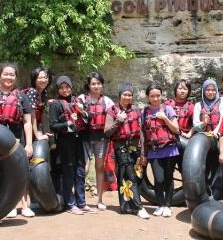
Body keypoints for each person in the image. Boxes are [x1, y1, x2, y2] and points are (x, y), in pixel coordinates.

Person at [0, 63, 34, 218]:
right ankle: (8, 205)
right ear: (0, 75)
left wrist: (29, 144)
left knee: (20, 171)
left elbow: (27, 122)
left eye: (12, 74)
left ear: (16, 77)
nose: (8, 77)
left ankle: (24, 204)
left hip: (15, 139)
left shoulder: (22, 96)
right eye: (5, 74)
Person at [49, 75, 96, 215]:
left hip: (78, 140)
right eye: (62, 88)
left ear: (71, 87)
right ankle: (70, 204)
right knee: (68, 171)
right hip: (65, 142)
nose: (65, 90)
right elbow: (53, 126)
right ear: (58, 89)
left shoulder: (78, 101)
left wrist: (82, 112)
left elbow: (89, 119)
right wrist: (68, 123)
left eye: (67, 87)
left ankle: (81, 202)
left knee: (80, 171)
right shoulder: (56, 104)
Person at [104, 83, 150, 219]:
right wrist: (118, 121)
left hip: (135, 147)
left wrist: (142, 152)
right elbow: (107, 132)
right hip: (121, 147)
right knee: (129, 175)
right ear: (120, 95)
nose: (127, 97)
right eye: (125, 94)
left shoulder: (136, 110)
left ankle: (126, 206)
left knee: (136, 177)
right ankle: (139, 207)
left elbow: (141, 132)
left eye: (130, 95)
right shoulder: (112, 111)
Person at [76, 72, 114, 211]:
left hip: (101, 138)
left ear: (102, 84)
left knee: (99, 167)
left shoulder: (107, 101)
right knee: (84, 168)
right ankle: (80, 199)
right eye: (93, 84)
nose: (96, 86)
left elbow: (111, 120)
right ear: (89, 85)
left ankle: (99, 200)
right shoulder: (81, 99)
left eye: (98, 83)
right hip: (85, 137)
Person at [143, 84, 180, 217]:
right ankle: (160, 204)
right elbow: (143, 133)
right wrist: (143, 153)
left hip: (170, 150)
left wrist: (164, 118)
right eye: (152, 96)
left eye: (158, 95)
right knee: (158, 179)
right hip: (154, 150)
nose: (155, 98)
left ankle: (168, 205)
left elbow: (176, 129)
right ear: (148, 97)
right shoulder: (145, 112)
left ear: (161, 95)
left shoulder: (168, 109)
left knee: (168, 178)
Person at [193, 79, 223, 200]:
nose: (210, 92)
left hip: (219, 138)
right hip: (203, 142)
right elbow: (195, 125)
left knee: (220, 167)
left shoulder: (222, 102)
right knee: (205, 167)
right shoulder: (198, 105)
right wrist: (204, 123)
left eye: (213, 90)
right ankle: (205, 195)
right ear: (204, 91)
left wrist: (215, 132)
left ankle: (220, 195)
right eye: (208, 90)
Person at [24, 67, 52, 141]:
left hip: (36, 127)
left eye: (45, 77)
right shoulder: (32, 92)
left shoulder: (44, 93)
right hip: (26, 129)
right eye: (39, 78)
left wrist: (45, 131)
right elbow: (32, 116)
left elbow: (42, 114)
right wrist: (37, 136)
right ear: (34, 80)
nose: (43, 80)